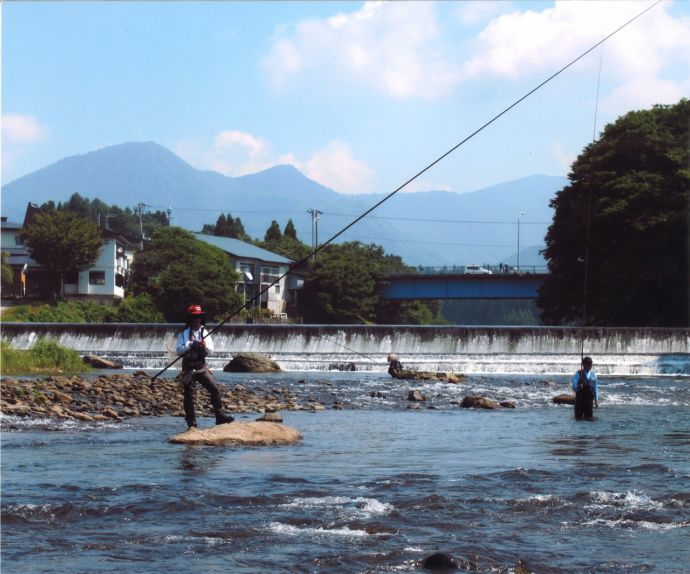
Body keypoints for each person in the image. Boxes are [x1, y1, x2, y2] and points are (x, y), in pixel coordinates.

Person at [176, 304, 234, 429]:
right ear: (190, 318)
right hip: (188, 368)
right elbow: (179, 351)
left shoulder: (205, 332)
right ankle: (191, 422)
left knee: (215, 390)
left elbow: (210, 350)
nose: (196, 319)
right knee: (189, 394)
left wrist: (202, 346)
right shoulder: (183, 334)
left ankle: (220, 417)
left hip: (201, 367)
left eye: (198, 317)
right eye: (194, 317)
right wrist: (190, 344)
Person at [571, 356, 599, 420]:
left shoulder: (593, 375)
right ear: (583, 364)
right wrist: (579, 386)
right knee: (578, 419)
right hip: (580, 401)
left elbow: (595, 388)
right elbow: (573, 386)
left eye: (590, 364)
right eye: (588, 364)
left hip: (589, 401)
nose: (590, 366)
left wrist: (596, 400)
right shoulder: (578, 374)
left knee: (590, 419)